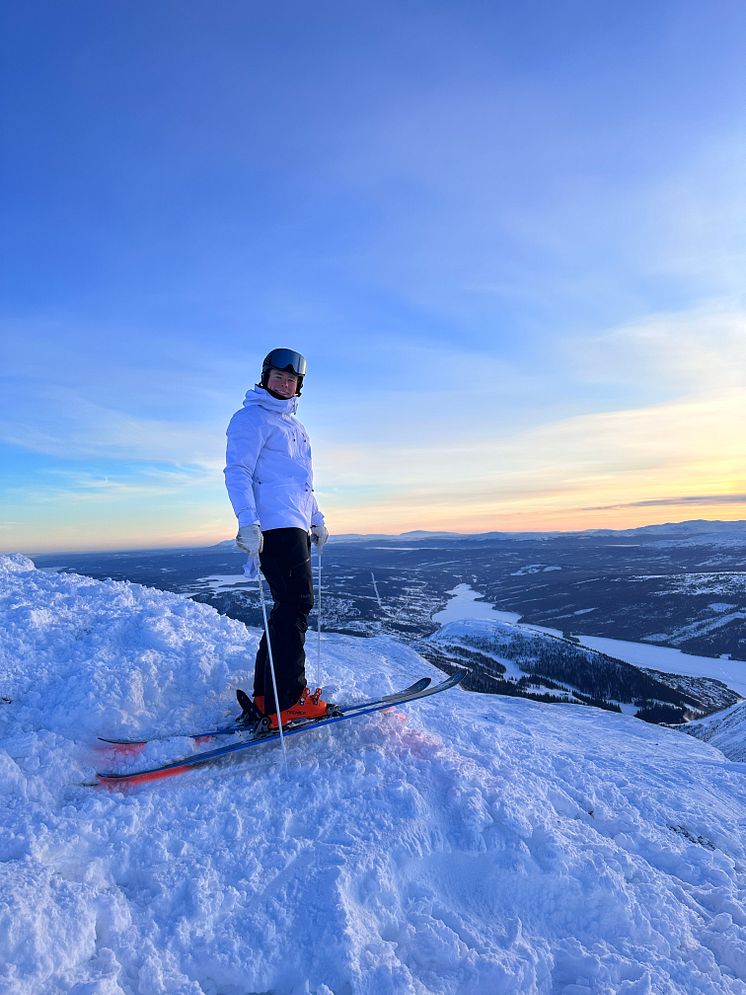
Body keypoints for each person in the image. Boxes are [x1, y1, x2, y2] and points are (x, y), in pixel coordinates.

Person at [224, 348, 330, 729]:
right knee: (296, 603)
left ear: (298, 386)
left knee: (288, 607)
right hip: (273, 524)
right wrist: (247, 522)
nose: (284, 383)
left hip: (296, 523)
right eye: (277, 377)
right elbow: (237, 471)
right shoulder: (251, 419)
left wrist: (316, 520)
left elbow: (302, 483)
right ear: (265, 378)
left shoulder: (297, 429)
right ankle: (289, 701)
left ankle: (268, 696)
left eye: (291, 380)